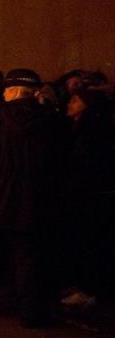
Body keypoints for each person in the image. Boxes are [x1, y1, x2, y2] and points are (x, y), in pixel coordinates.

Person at [0, 69, 66, 327]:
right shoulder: (52, 120)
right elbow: (61, 159)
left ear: (11, 91)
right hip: (35, 197)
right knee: (28, 256)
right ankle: (30, 313)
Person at [59, 88, 113, 308]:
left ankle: (89, 289)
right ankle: (81, 284)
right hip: (79, 193)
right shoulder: (76, 128)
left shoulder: (92, 132)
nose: (70, 103)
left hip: (88, 195)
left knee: (88, 241)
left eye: (75, 100)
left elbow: (88, 164)